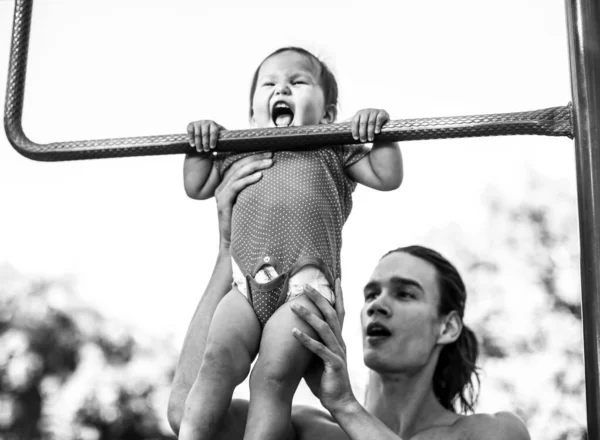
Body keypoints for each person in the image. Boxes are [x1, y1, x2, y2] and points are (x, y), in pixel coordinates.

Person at [168, 153, 532, 440]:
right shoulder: (311, 429)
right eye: (371, 293)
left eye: (405, 294)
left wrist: (345, 405)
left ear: (447, 326)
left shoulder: (493, 431)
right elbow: (188, 413)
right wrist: (228, 250)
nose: (377, 305)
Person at [179, 47, 403, 440]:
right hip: (245, 287)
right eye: (269, 83)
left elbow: (387, 176)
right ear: (252, 115)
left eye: (298, 81)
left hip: (306, 287)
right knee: (215, 360)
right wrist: (200, 142)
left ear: (329, 114)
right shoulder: (239, 149)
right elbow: (196, 185)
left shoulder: (333, 145)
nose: (281, 87)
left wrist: (380, 132)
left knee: (272, 377)